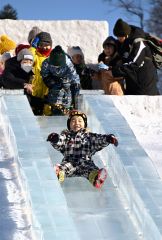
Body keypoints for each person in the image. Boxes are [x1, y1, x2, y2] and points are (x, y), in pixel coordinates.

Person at [47, 110, 118, 189]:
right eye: (73, 121)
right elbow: (60, 142)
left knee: (90, 169)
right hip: (69, 161)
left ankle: (96, 178)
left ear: (84, 124)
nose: (77, 123)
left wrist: (107, 138)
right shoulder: (66, 136)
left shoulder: (89, 136)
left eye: (80, 121)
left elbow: (98, 140)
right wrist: (55, 139)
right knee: (64, 168)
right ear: (69, 125)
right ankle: (58, 174)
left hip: (85, 161)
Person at [111, 18, 159, 95]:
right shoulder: (124, 44)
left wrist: (114, 71)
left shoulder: (138, 42)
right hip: (133, 82)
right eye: (117, 36)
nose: (118, 39)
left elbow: (134, 63)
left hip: (145, 82)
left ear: (126, 35)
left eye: (120, 37)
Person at [41, 45, 80, 115]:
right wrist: (51, 82)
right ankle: (55, 110)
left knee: (68, 98)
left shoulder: (68, 63)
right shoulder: (46, 63)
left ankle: (67, 109)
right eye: (55, 66)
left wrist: (75, 86)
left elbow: (74, 76)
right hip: (54, 84)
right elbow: (44, 75)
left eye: (59, 66)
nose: (57, 69)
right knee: (55, 103)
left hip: (66, 84)